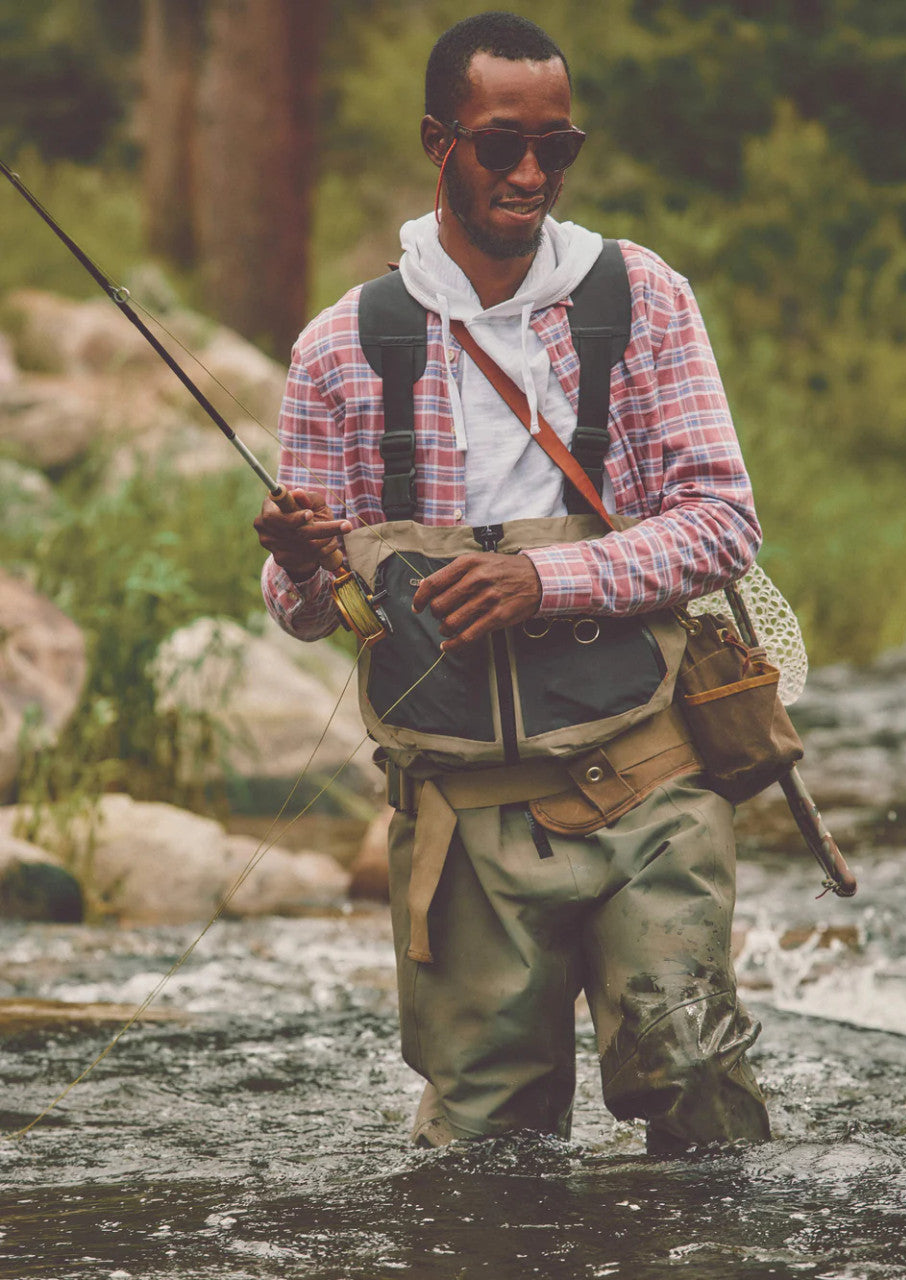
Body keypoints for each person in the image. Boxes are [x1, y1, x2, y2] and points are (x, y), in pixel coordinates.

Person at [254, 11, 771, 1154]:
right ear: (439, 141)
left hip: (648, 775)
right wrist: (298, 566)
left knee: (695, 1083)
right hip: (464, 814)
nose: (531, 173)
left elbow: (724, 522)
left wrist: (549, 580)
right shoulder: (339, 349)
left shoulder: (637, 299)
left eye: (557, 146)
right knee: (485, 1154)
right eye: (501, 145)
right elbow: (304, 611)